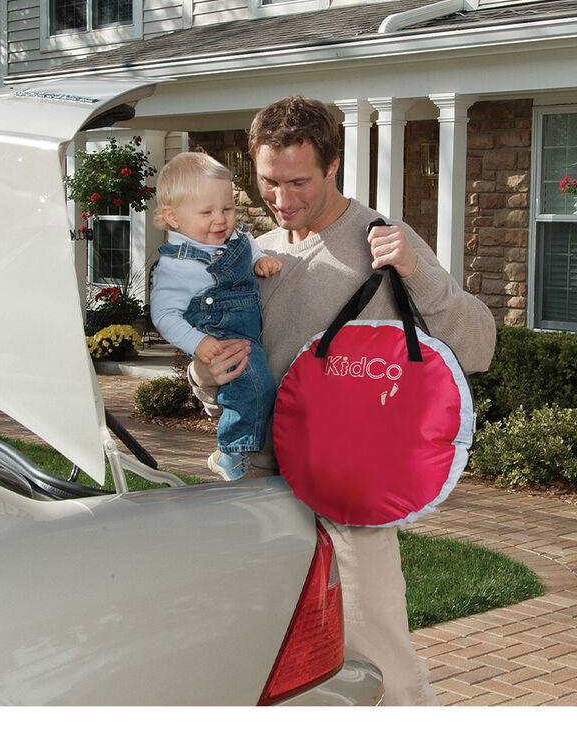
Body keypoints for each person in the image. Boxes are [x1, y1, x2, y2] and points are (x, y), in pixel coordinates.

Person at [189, 96, 497, 705]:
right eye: (269, 181)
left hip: (345, 498)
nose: (281, 199)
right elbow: (219, 382)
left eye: (298, 182)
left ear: (333, 167)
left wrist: (417, 272)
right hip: (255, 483)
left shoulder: (378, 240)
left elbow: (478, 345)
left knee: (379, 659)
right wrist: (204, 374)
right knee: (263, 662)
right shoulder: (252, 255)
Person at [150, 151, 283, 481]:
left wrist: (259, 259)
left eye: (227, 208)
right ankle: (232, 453)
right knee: (253, 388)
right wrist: (197, 343)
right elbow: (164, 315)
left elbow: (247, 243)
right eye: (207, 212)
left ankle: (237, 452)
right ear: (173, 217)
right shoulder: (177, 265)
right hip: (222, 337)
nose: (221, 220)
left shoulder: (232, 236)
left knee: (260, 390)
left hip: (247, 331)